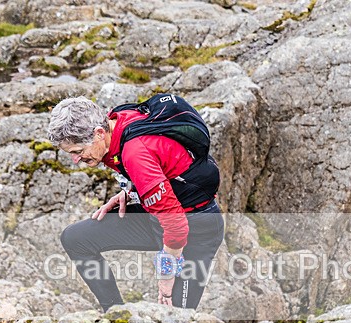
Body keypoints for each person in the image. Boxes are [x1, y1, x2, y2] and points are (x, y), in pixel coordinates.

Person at [47, 95, 224, 311]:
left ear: (99, 133)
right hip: (158, 217)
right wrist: (133, 190)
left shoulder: (136, 153)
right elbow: (161, 163)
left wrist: (166, 276)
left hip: (196, 229)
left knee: (177, 317)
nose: (75, 160)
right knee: (76, 239)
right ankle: (114, 313)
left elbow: (176, 227)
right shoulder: (117, 121)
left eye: (78, 152)